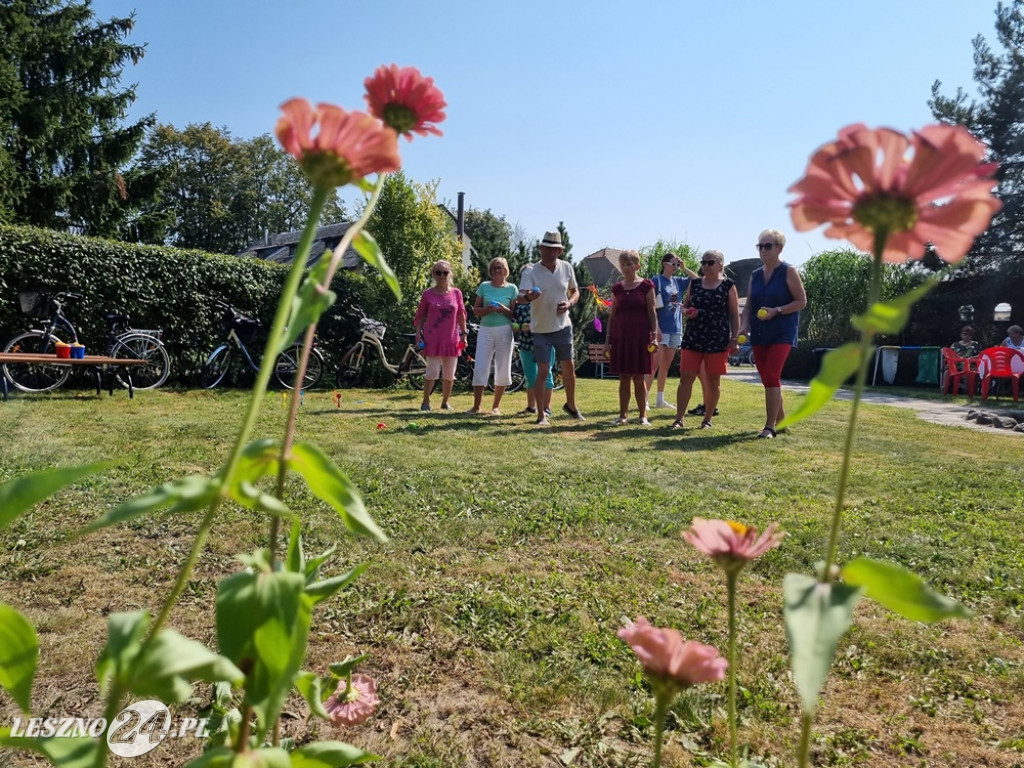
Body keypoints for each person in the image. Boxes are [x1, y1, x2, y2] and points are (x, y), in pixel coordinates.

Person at [738, 229, 807, 439]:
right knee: (768, 379)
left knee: (771, 376)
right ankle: (783, 421)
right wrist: (743, 326)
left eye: (768, 246)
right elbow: (749, 305)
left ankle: (769, 427)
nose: (763, 250)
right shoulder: (756, 275)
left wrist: (776, 310)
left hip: (782, 332)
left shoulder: (788, 271)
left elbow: (801, 301)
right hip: (759, 333)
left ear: (779, 248)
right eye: (760, 246)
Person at [521, 229, 585, 425]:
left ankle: (571, 406)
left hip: (563, 326)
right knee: (542, 371)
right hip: (540, 329)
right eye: (546, 249)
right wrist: (529, 297)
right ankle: (541, 415)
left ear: (560, 250)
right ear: (540, 249)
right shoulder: (530, 271)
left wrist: (569, 304)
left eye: (554, 249)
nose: (550, 252)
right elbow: (520, 298)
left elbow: (575, 292)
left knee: (569, 368)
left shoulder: (566, 267)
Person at [673, 250, 739, 430]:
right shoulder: (694, 283)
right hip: (693, 337)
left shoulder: (728, 286)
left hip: (717, 339)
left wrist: (735, 339)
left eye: (710, 262)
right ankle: (679, 419)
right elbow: (685, 306)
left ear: (720, 264)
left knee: (713, 381)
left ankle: (707, 419)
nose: (706, 266)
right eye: (703, 262)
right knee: (685, 378)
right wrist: (686, 311)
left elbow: (734, 314)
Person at [606, 250, 658, 425]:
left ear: (637, 266)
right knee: (623, 377)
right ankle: (623, 416)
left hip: (641, 338)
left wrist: (654, 337)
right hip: (620, 338)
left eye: (629, 264)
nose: (626, 267)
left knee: (638, 377)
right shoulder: (617, 288)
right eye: (623, 264)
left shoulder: (647, 286)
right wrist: (607, 341)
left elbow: (652, 314)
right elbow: (612, 316)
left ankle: (643, 416)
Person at [413, 260, 467, 411]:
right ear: (433, 275)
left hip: (452, 339)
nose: (442, 276)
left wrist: (464, 334)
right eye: (439, 273)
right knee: (432, 371)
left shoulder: (457, 293)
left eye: (445, 272)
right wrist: (418, 335)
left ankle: (445, 402)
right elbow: (421, 316)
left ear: (450, 274)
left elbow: (461, 314)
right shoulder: (427, 294)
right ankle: (425, 401)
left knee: (449, 374)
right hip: (433, 338)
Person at [467, 257, 517, 415]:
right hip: (486, 330)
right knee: (480, 366)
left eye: (500, 267)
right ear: (491, 270)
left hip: (505, 331)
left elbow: (514, 315)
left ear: (506, 270)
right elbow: (475, 310)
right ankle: (476, 406)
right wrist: (488, 309)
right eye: (494, 267)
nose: (497, 270)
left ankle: (496, 407)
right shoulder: (484, 286)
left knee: (503, 367)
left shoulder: (512, 289)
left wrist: (502, 309)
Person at [648, 252, 698, 409]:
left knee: (665, 366)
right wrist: (656, 329)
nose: (675, 267)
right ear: (664, 264)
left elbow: (696, 280)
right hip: (661, 329)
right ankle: (645, 399)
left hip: (675, 329)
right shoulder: (656, 280)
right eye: (673, 264)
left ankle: (660, 399)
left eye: (677, 264)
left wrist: (685, 267)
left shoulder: (678, 281)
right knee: (653, 365)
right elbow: (650, 307)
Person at [510, 266, 555, 416]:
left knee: (545, 374)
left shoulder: (545, 296)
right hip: (525, 344)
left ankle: (546, 408)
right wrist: (515, 326)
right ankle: (531, 407)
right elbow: (514, 317)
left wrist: (532, 326)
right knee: (530, 376)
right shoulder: (520, 299)